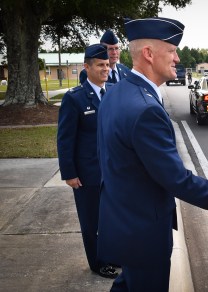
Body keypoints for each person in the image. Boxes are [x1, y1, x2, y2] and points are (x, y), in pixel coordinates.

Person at [96, 17, 208, 292]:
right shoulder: (146, 109)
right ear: (148, 54)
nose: (177, 58)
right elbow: (176, 178)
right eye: (171, 50)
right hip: (144, 232)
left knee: (127, 285)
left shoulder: (116, 92)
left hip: (123, 221)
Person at [57, 44, 117, 279]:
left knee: (111, 218)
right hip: (87, 174)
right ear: (87, 67)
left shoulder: (112, 92)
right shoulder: (75, 98)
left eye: (107, 65)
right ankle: (97, 262)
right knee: (91, 221)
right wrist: (69, 173)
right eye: (100, 65)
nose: (106, 69)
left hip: (112, 172)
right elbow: (65, 139)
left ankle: (111, 254)